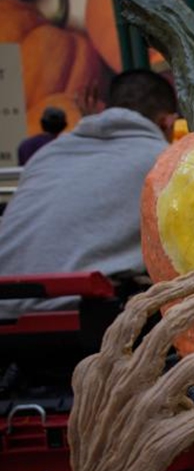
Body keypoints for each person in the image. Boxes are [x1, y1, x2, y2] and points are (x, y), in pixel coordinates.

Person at [0, 70, 178, 317]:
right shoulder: (164, 161)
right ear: (167, 122)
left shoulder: (47, 155)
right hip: (78, 316)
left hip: (6, 305)